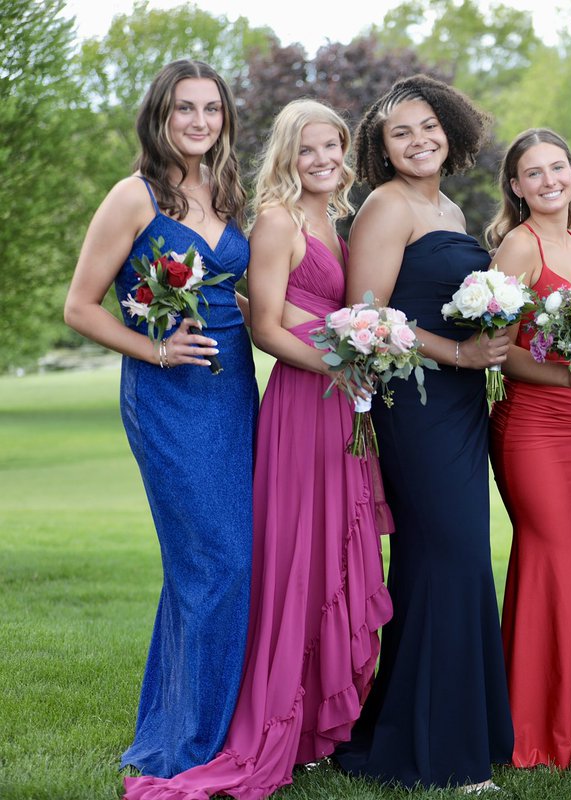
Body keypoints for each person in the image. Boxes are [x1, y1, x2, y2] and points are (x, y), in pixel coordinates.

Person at [122, 99, 393, 800]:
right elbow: (270, 325)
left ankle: (312, 722)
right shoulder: (276, 218)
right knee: (292, 559)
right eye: (307, 149)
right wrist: (340, 360)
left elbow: (267, 309)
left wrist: (365, 342)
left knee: (325, 551)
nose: (322, 159)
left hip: (333, 399)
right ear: (285, 155)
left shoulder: (331, 219)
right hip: (304, 402)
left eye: (333, 146)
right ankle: (272, 720)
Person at [63, 59, 256, 778]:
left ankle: (201, 718)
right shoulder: (133, 196)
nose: (200, 122)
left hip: (234, 393)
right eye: (185, 110)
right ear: (160, 117)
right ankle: (190, 746)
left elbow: (232, 293)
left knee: (215, 568)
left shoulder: (228, 192)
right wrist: (154, 347)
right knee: (218, 563)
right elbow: (79, 306)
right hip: (167, 398)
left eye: (211, 109)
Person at [331, 75, 514, 793]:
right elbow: (366, 320)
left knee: (454, 561)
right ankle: (442, 754)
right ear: (381, 148)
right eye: (400, 132)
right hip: (416, 404)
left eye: (429, 126)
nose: (418, 140)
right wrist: (462, 351)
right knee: (450, 559)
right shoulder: (385, 205)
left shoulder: (446, 207)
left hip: (463, 406)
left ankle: (425, 727)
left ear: (453, 130)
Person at [486, 128, 571, 768]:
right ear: (516, 186)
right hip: (533, 427)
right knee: (552, 562)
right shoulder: (520, 246)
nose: (548, 181)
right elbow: (497, 351)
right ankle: (532, 730)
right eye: (532, 173)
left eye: (556, 168)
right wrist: (565, 374)